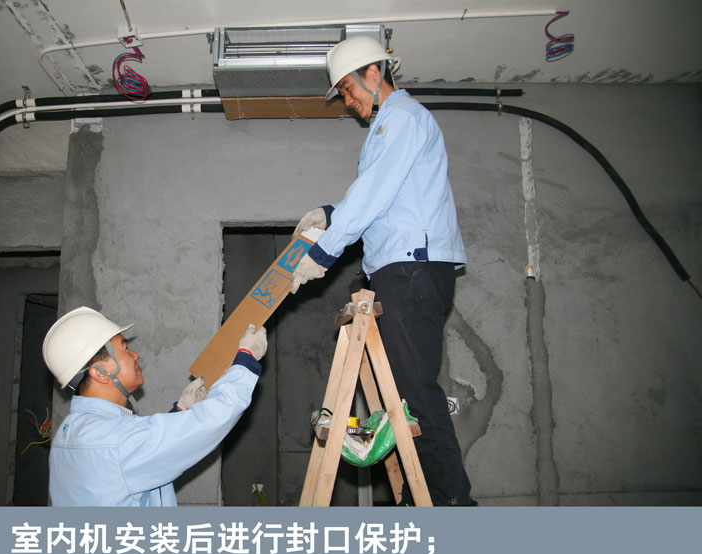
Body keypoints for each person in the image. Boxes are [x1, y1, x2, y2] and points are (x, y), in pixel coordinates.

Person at [291, 36, 475, 506]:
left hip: (412, 269)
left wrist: (324, 253)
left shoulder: (403, 119)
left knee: (415, 395)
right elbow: (382, 197)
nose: (348, 101)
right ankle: (420, 496)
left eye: (349, 89)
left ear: (374, 73)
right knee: (404, 399)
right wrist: (330, 214)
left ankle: (451, 504)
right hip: (403, 270)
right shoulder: (389, 128)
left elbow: (374, 193)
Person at [42, 306, 267, 506]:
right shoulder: (116, 441)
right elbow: (211, 421)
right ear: (100, 373)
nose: (136, 355)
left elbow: (140, 458)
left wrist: (180, 411)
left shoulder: (67, 434)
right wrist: (246, 358)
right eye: (125, 349)